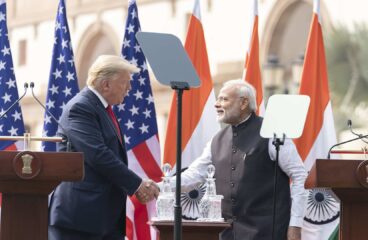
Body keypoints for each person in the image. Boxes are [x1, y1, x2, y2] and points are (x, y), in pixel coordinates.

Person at [176, 80, 307, 240]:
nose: (217, 104)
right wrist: (160, 186)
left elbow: (300, 175)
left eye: (224, 99)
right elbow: (195, 173)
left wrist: (295, 225)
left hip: (267, 232)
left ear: (244, 102)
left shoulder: (271, 133)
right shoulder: (217, 140)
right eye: (218, 99)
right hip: (226, 234)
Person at [48, 55, 159, 240]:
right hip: (80, 219)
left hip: (103, 219)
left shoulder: (100, 108)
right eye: (125, 83)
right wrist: (137, 184)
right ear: (106, 84)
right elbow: (98, 154)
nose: (129, 89)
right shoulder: (80, 107)